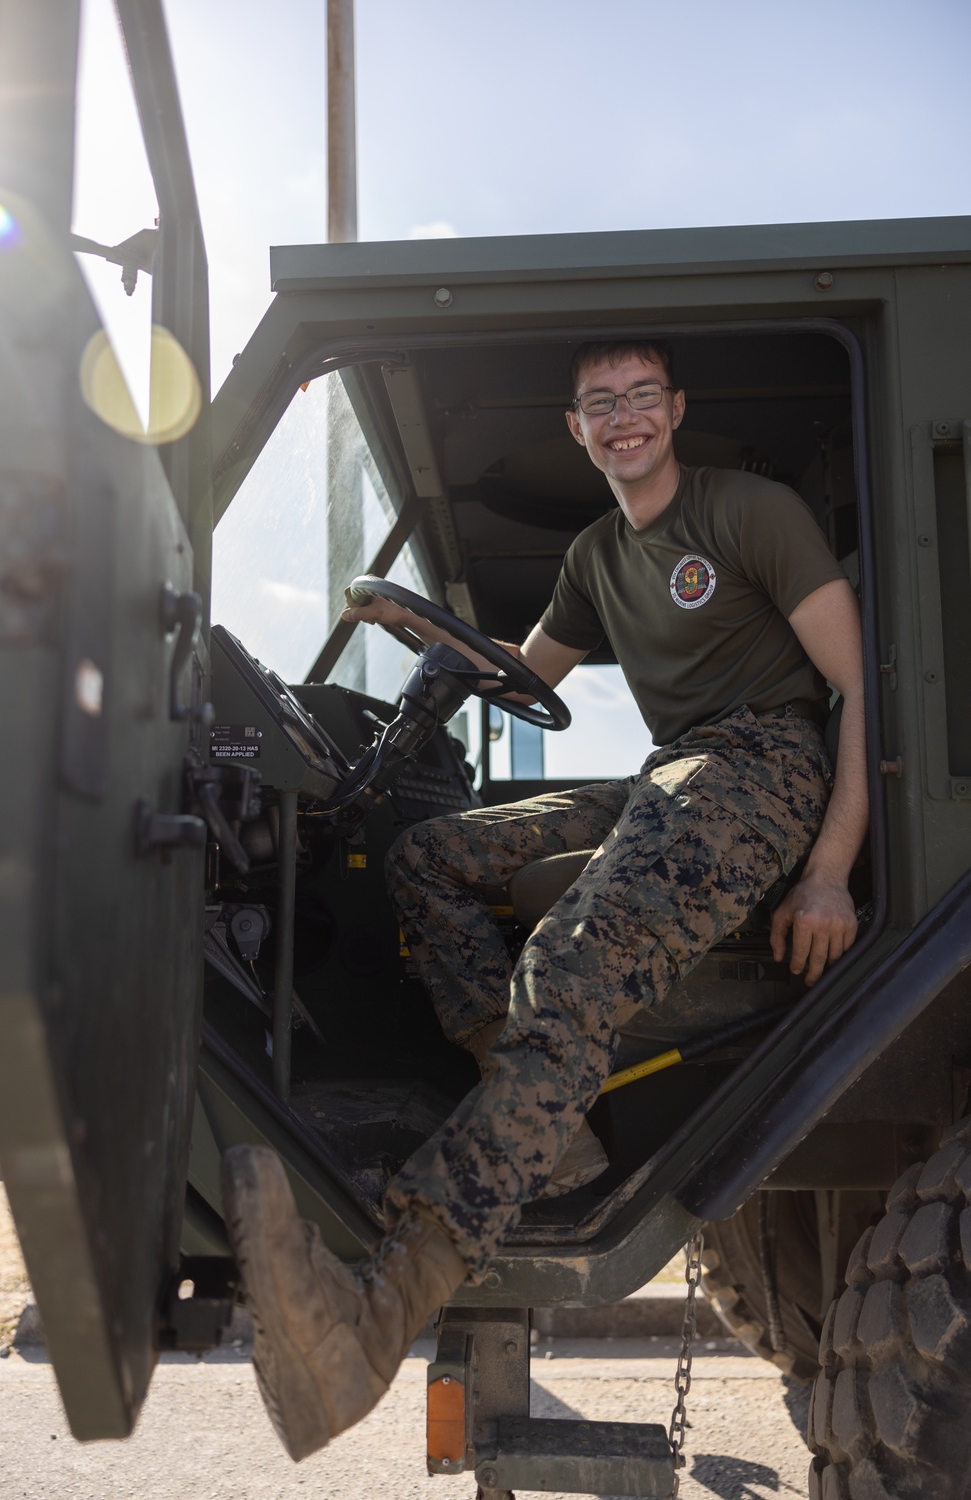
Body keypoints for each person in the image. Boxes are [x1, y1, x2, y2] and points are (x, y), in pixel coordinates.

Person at [221, 339, 868, 1463]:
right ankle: (547, 1126)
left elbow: (858, 685)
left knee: (568, 967)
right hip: (667, 772)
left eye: (638, 399)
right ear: (577, 429)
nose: (621, 419)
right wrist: (421, 640)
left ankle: (368, 1327)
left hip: (768, 764)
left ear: (673, 410)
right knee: (426, 860)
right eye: (597, 406)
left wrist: (828, 868)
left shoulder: (747, 513)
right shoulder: (594, 556)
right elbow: (519, 673)